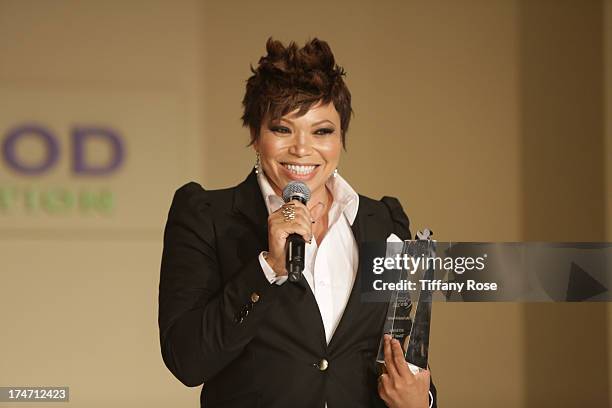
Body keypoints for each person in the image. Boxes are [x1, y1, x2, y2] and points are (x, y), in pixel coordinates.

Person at [158, 37, 437, 408]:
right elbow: (188, 361)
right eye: (282, 129)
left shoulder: (383, 221)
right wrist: (268, 267)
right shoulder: (207, 216)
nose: (302, 149)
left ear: (341, 138)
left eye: (322, 131)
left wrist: (424, 402)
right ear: (255, 136)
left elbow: (404, 352)